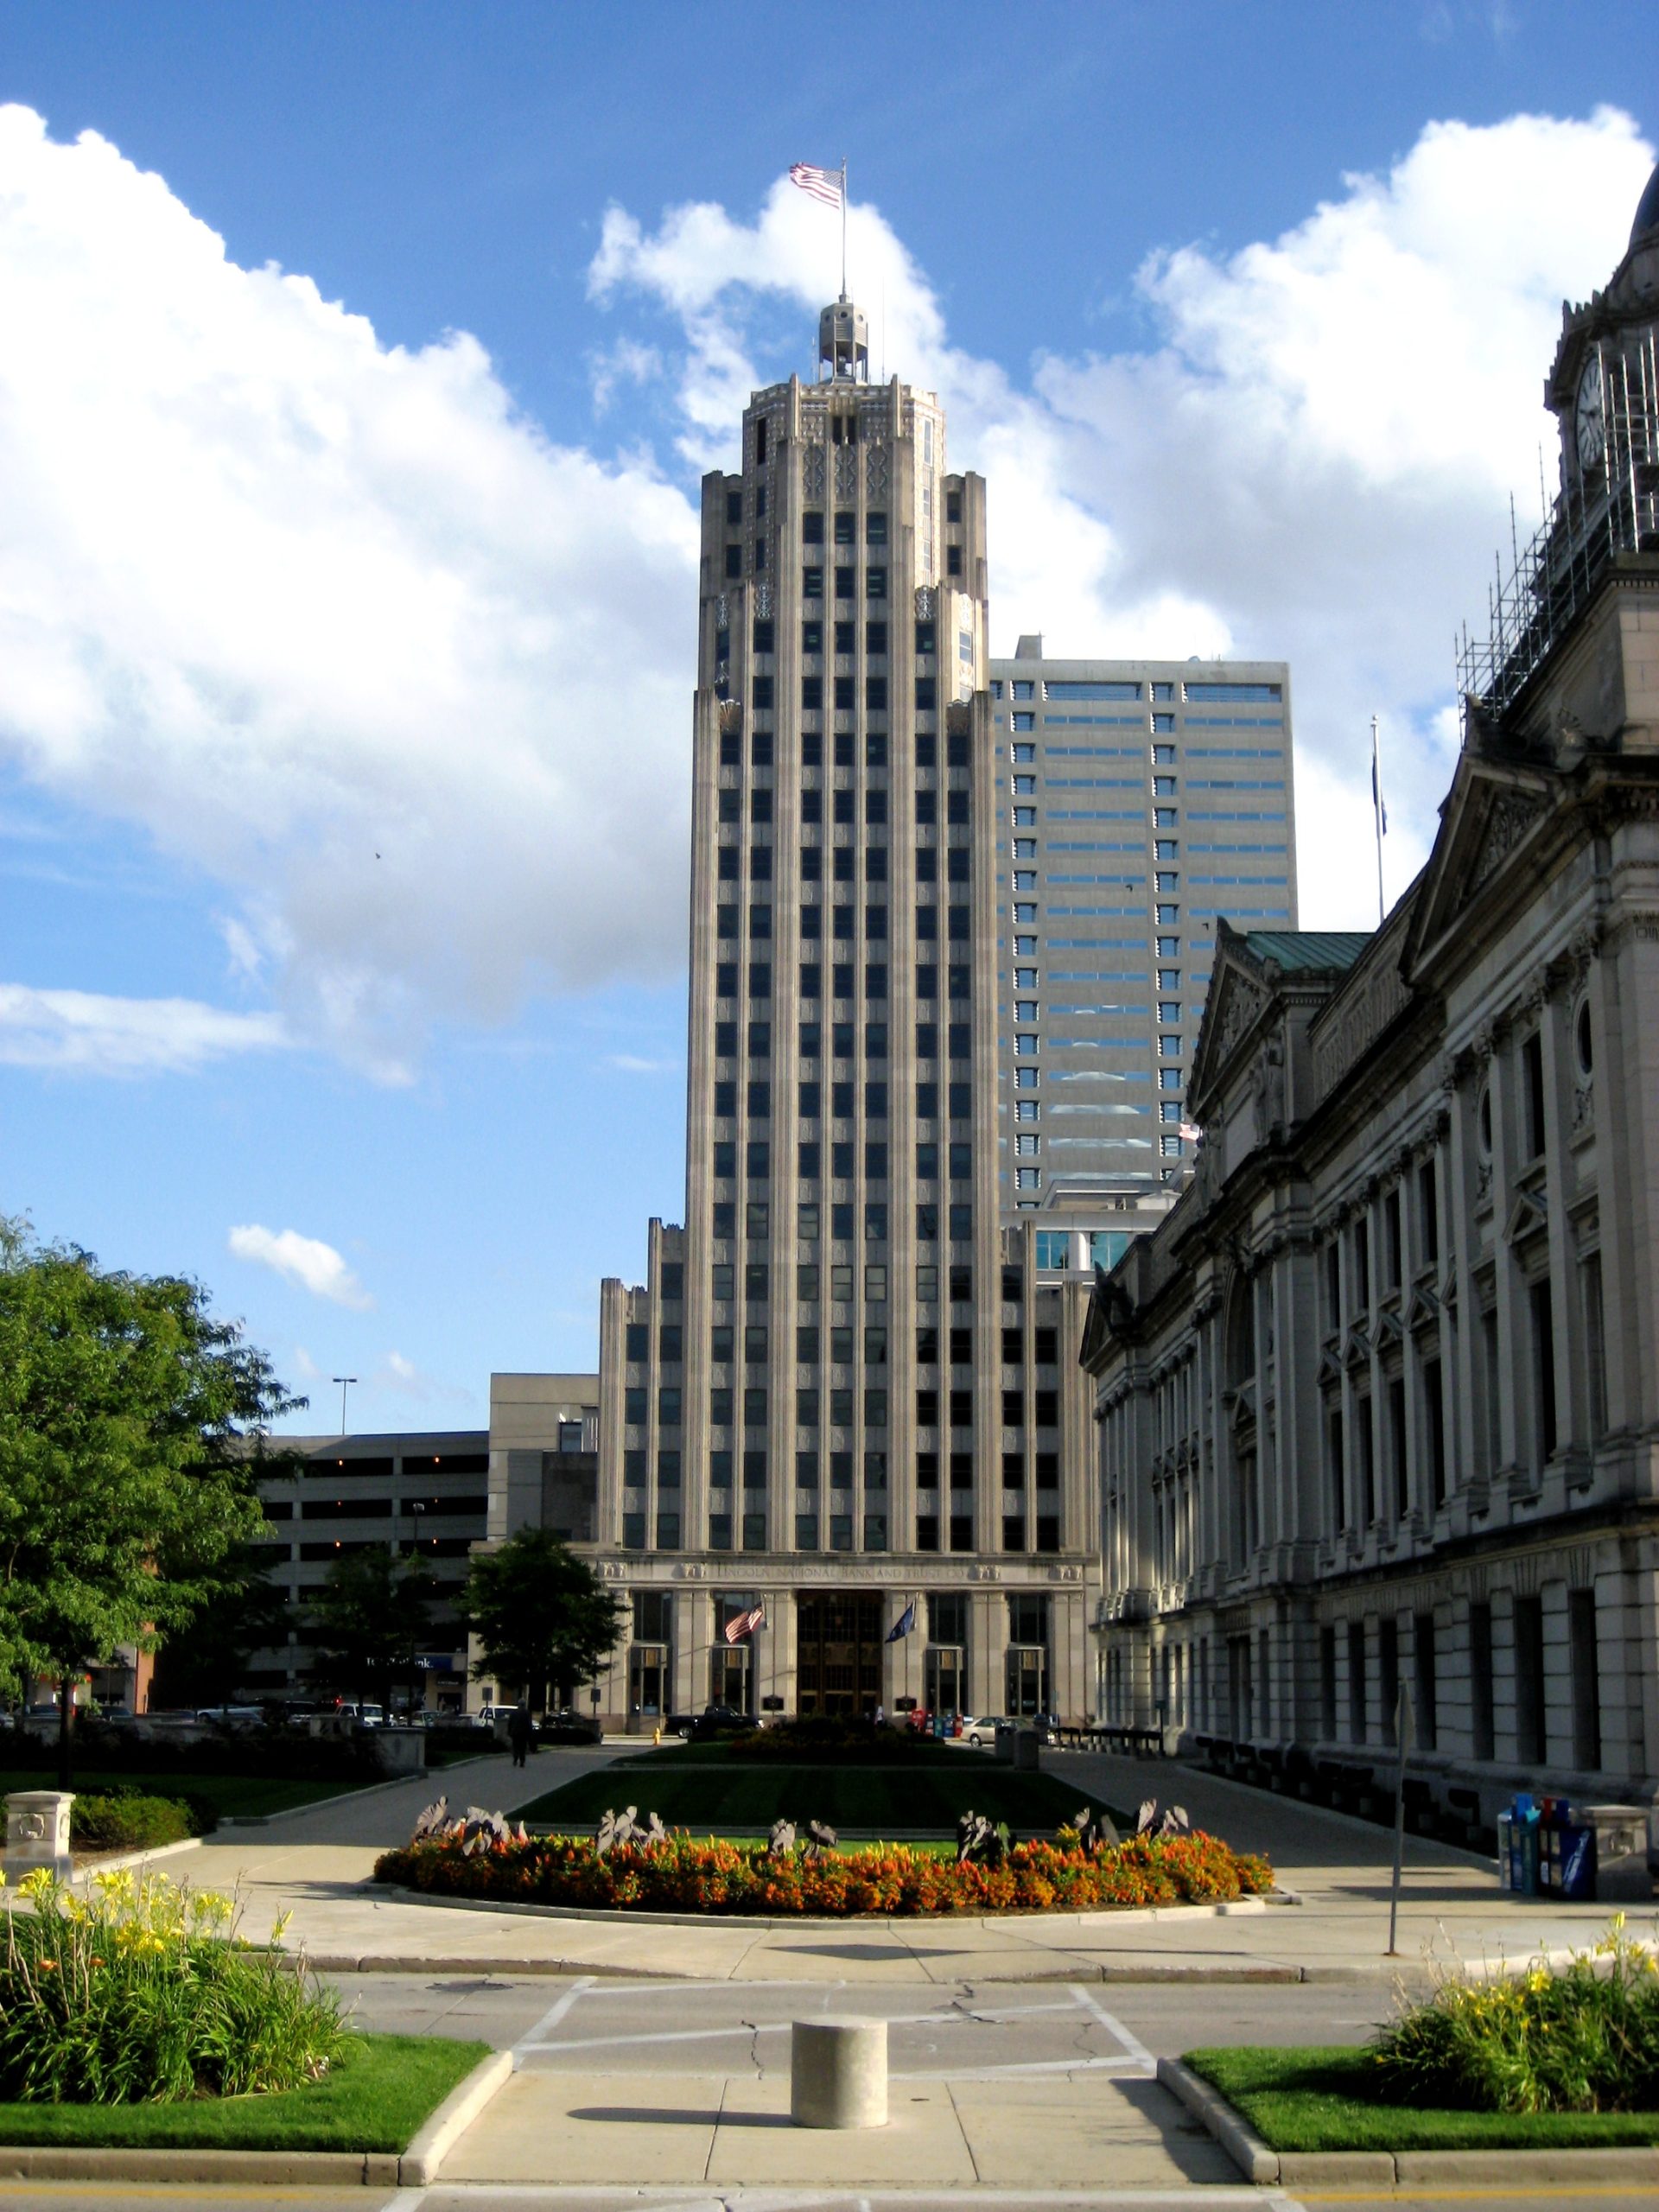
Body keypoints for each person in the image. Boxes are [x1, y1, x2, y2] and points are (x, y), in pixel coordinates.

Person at [507, 1701, 532, 1769]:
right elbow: (529, 1724)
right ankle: (522, 1761)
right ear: (524, 1705)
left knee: (515, 1746)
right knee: (522, 1748)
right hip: (523, 1733)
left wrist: (509, 1732)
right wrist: (530, 1733)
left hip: (515, 1733)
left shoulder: (513, 1713)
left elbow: (510, 1723)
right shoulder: (527, 1713)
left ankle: (515, 1758)